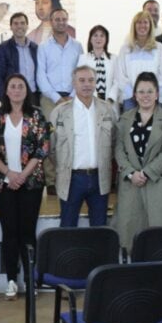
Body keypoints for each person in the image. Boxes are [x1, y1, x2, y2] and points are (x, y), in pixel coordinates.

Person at [0, 73, 51, 300]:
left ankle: (31, 280)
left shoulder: (37, 116)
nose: (16, 90)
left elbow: (42, 148)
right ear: (6, 91)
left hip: (30, 183)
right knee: (10, 232)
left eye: (20, 86)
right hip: (3, 184)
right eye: (12, 86)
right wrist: (9, 174)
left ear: (26, 90)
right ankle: (12, 280)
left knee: (27, 233)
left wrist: (22, 175)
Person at [114, 72, 162, 250]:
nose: (145, 96)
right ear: (135, 95)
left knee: (158, 237)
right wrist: (130, 173)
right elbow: (118, 149)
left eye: (150, 91)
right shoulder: (125, 119)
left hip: (156, 182)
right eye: (141, 91)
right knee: (129, 236)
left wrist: (147, 173)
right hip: (131, 183)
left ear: (157, 94)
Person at [50, 65, 118, 227]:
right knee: (67, 227)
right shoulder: (60, 112)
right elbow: (52, 148)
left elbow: (114, 141)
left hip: (99, 177)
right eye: (81, 80)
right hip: (71, 179)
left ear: (96, 83)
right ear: (73, 83)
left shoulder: (107, 110)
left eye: (90, 80)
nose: (86, 84)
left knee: (100, 227)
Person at [36, 8, 83, 190]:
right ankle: (51, 180)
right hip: (50, 98)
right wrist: (57, 98)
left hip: (73, 96)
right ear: (51, 21)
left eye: (64, 19)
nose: (61, 22)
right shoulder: (43, 47)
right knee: (51, 137)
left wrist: (71, 95)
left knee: (71, 136)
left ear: (68, 21)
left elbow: (80, 72)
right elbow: (41, 76)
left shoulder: (77, 46)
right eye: (57, 19)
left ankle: (70, 176)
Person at [112, 11, 162, 111]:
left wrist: (152, 94)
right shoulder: (125, 49)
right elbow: (120, 76)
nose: (142, 25)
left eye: (145, 22)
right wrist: (134, 94)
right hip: (131, 99)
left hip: (155, 99)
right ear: (134, 26)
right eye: (139, 22)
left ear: (150, 25)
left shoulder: (159, 48)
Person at [0, 12, 39, 107]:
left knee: (32, 122)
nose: (19, 26)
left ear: (27, 26)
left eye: (22, 23)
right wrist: (1, 97)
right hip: (12, 96)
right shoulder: (2, 49)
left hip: (33, 95)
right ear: (11, 27)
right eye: (16, 23)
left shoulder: (35, 48)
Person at [78, 24, 116, 103]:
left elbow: (117, 82)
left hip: (109, 103)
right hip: (89, 102)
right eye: (95, 35)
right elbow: (79, 81)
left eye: (102, 36)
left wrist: (110, 99)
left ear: (106, 39)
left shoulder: (114, 59)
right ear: (90, 39)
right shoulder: (83, 58)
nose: (98, 38)